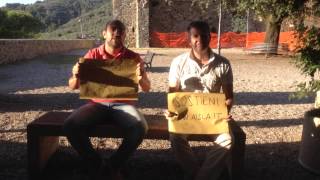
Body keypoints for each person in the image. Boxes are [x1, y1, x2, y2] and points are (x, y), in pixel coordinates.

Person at [63, 19, 151, 180]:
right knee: (70, 125)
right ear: (104, 34)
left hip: (123, 105)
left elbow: (147, 87)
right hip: (97, 104)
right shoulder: (92, 55)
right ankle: (97, 164)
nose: (117, 33)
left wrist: (140, 77)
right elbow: (72, 86)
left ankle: (112, 165)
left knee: (140, 127)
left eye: (121, 30)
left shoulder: (133, 57)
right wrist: (75, 74)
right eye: (113, 30)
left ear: (125, 35)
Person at [167, 21, 234, 180]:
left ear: (210, 37)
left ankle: (200, 177)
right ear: (188, 39)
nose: (200, 39)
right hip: (186, 116)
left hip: (212, 117)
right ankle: (196, 173)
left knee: (227, 139)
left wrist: (226, 112)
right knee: (175, 136)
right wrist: (171, 111)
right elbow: (173, 93)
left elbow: (229, 96)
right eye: (195, 36)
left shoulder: (223, 64)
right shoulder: (178, 62)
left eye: (204, 35)